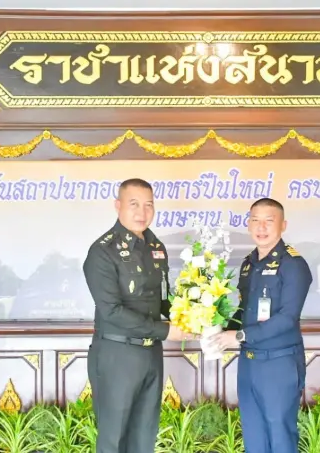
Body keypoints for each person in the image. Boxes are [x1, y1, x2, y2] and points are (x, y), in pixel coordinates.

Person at [83, 178, 195, 453]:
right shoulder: (103, 251)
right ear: (118, 205)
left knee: (144, 438)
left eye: (148, 205)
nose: (142, 212)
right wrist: (166, 331)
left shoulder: (156, 247)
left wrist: (193, 313)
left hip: (150, 354)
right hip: (117, 355)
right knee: (114, 440)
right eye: (134, 204)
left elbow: (164, 300)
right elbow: (112, 311)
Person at [209, 197, 313, 453]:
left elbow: (287, 318)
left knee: (280, 436)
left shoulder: (293, 264)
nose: (261, 227)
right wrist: (214, 326)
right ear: (248, 224)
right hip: (249, 363)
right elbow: (243, 311)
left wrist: (239, 336)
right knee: (254, 437)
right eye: (255, 220)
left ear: (283, 225)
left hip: (278, 363)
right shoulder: (249, 264)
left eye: (269, 221)